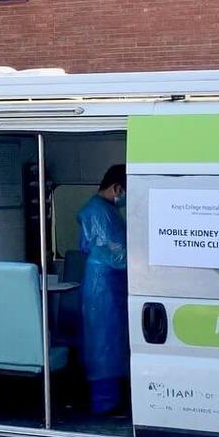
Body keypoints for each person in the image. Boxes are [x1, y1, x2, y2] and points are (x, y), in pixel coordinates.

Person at [76, 164, 129, 416]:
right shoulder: (100, 214)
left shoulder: (104, 210)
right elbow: (118, 254)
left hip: (106, 283)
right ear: (117, 187)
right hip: (103, 286)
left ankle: (111, 400)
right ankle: (105, 403)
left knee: (112, 340)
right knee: (104, 343)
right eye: (126, 191)